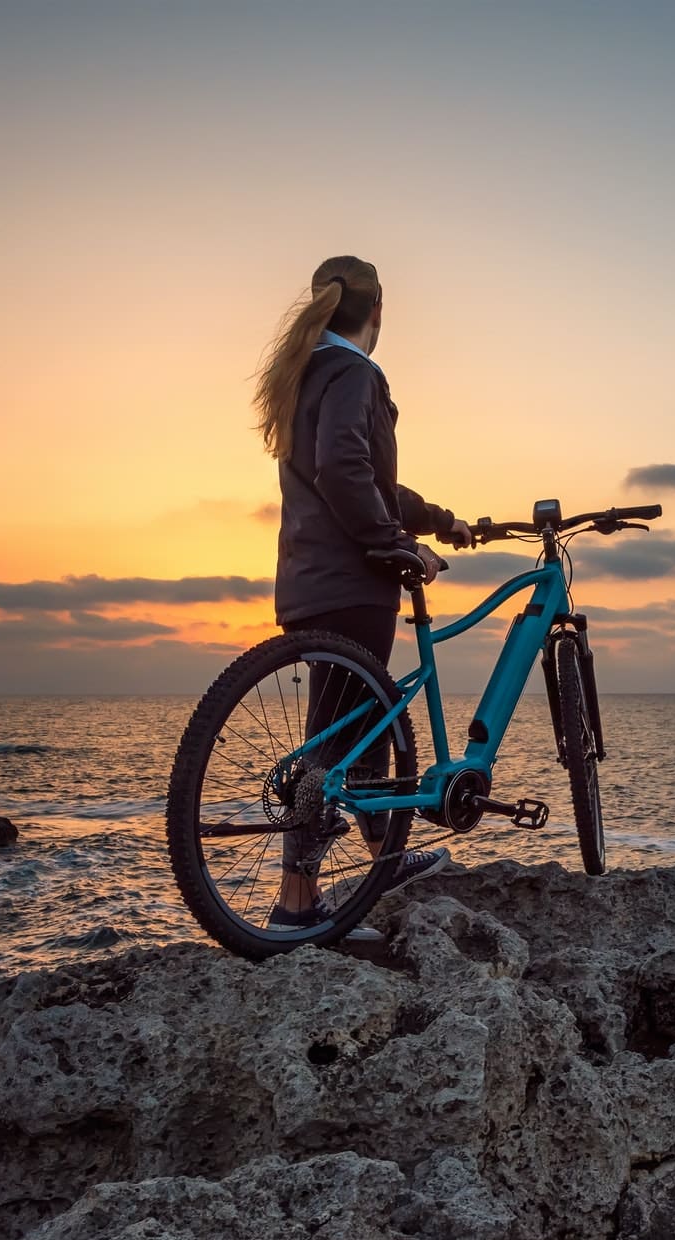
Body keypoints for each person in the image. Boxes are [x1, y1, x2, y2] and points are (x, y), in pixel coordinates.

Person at [253, 256, 464, 925]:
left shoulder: (306, 375)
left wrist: (434, 518)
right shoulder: (353, 371)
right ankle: (295, 901)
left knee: (361, 720)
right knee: (328, 747)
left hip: (312, 578)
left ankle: (380, 855)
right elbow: (345, 469)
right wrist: (396, 545)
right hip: (352, 579)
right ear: (378, 311)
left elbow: (359, 477)